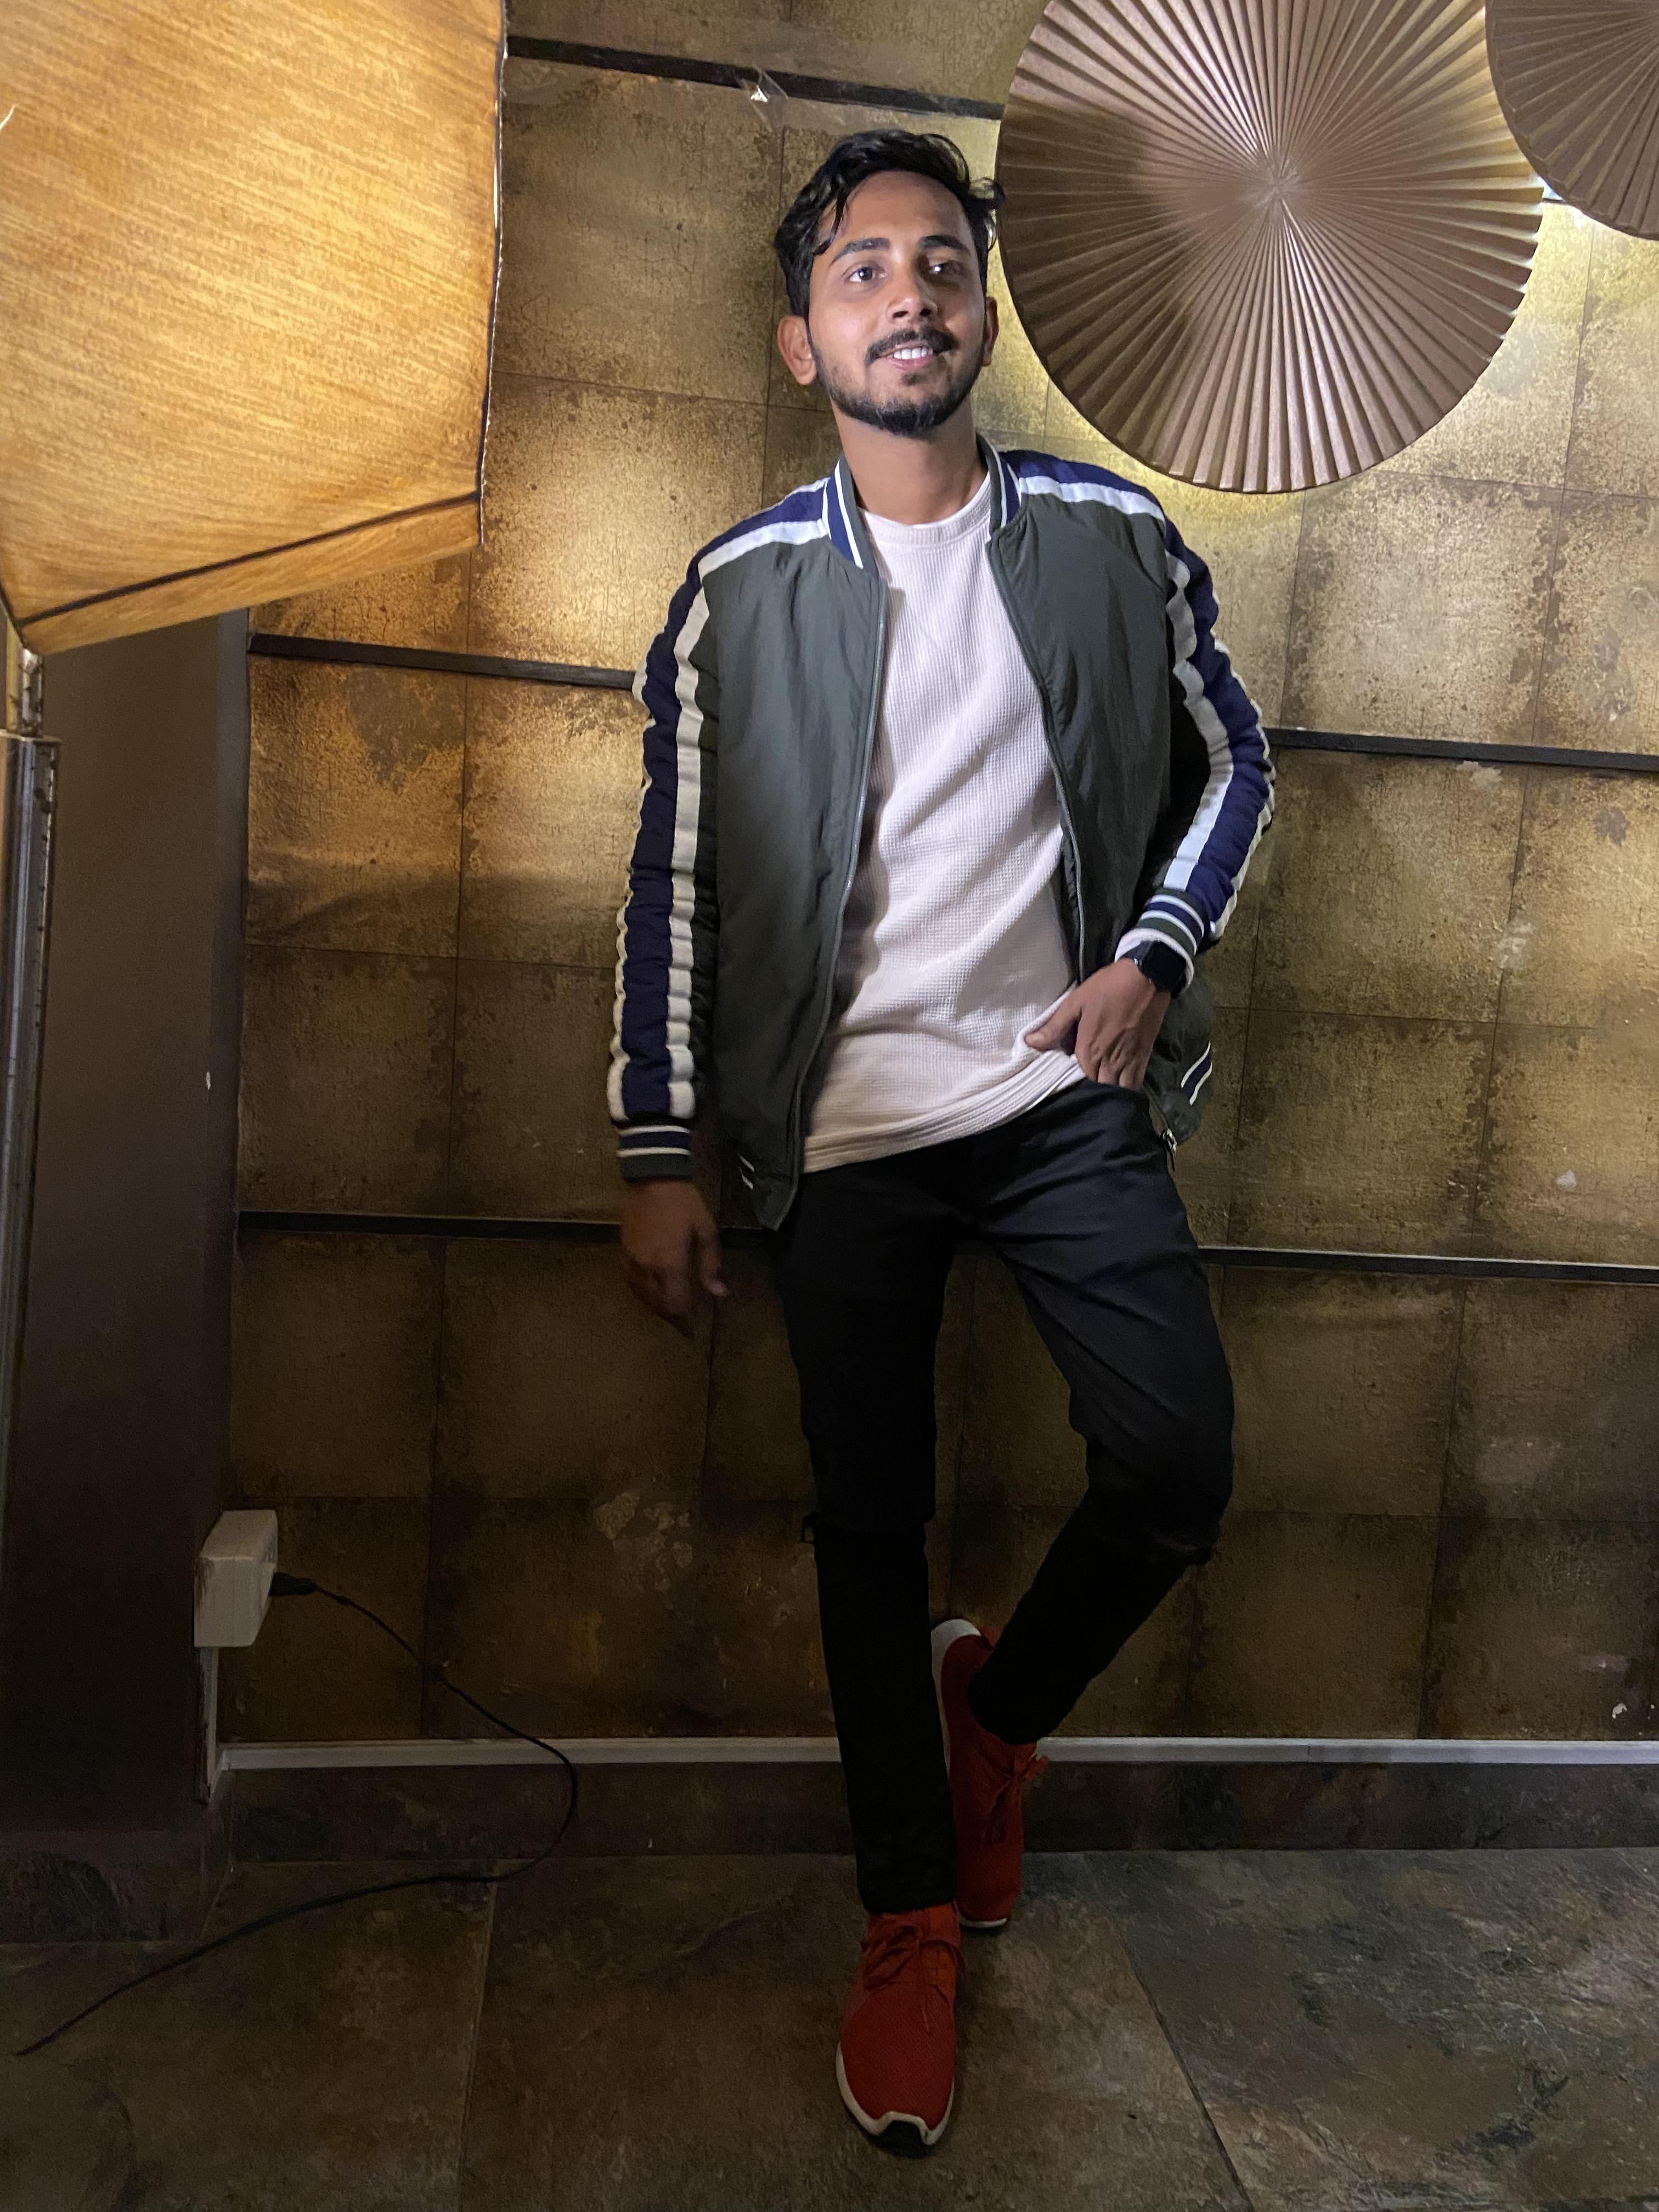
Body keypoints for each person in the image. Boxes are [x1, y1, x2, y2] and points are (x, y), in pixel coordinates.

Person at [608, 128, 1273, 2156]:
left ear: (983, 311)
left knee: (1176, 1459)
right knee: (868, 1523)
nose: (908, 290)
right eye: (861, 269)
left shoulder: (1115, 537)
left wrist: (1154, 950)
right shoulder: (735, 594)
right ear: (803, 340)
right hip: (842, 1128)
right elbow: (672, 877)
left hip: (1062, 1093)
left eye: (940, 261)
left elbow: (1238, 756)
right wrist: (658, 1149)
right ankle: (908, 1917)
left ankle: (998, 1721)